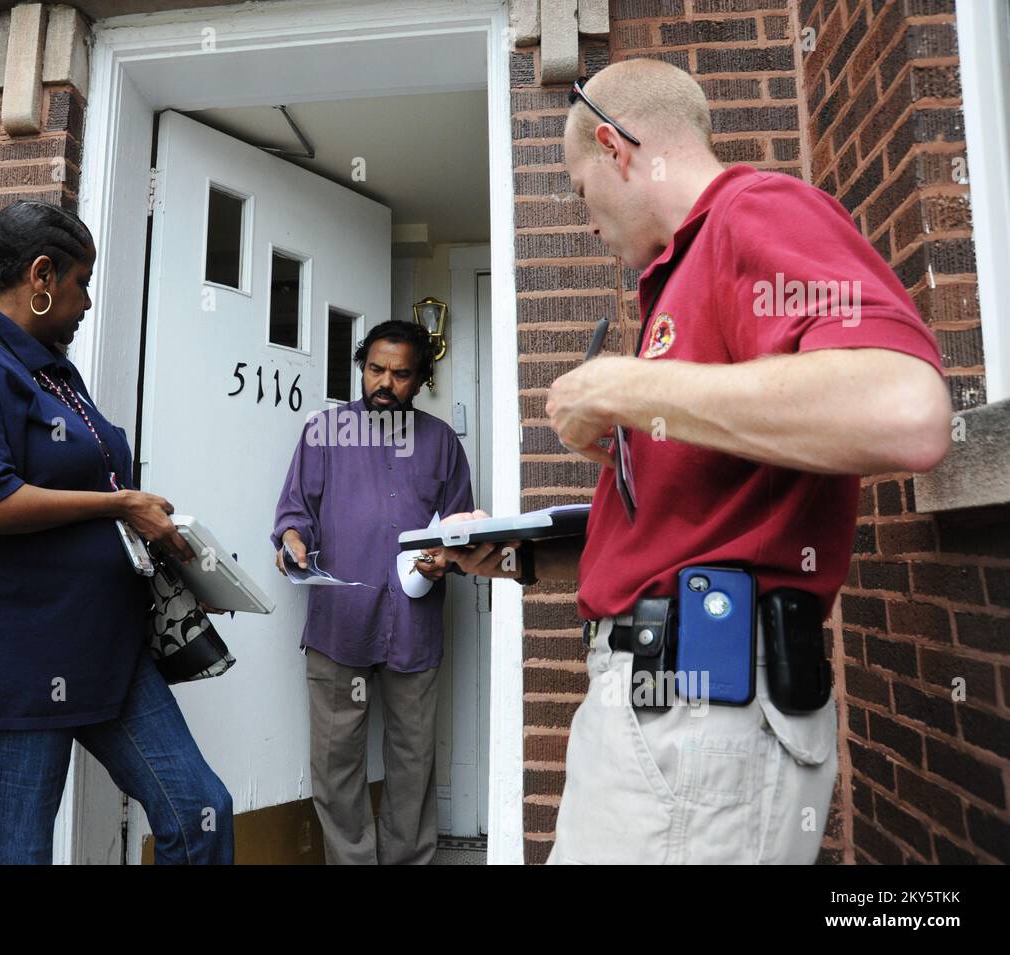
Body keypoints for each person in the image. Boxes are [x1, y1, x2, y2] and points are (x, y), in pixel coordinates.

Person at [444, 58, 950, 864]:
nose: (588, 222)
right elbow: (687, 529)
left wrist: (626, 384)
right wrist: (514, 557)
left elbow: (906, 409)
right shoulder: (678, 281)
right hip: (666, 711)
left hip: (700, 711)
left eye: (580, 191)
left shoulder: (756, 212)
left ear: (614, 147)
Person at [0, 199, 233, 864]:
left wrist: (163, 540)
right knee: (18, 854)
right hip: (13, 658)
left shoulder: (56, 374)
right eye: (82, 281)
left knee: (200, 809)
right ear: (42, 274)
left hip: (102, 647)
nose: (86, 302)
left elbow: (98, 487)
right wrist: (119, 506)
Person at [271, 320, 474, 864]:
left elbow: (462, 530)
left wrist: (447, 559)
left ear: (422, 378)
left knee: (412, 757)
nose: (385, 383)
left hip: (414, 624)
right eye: (375, 369)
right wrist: (291, 541)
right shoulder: (324, 432)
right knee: (337, 760)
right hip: (341, 620)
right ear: (361, 368)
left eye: (401, 374)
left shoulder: (442, 444)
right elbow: (295, 514)